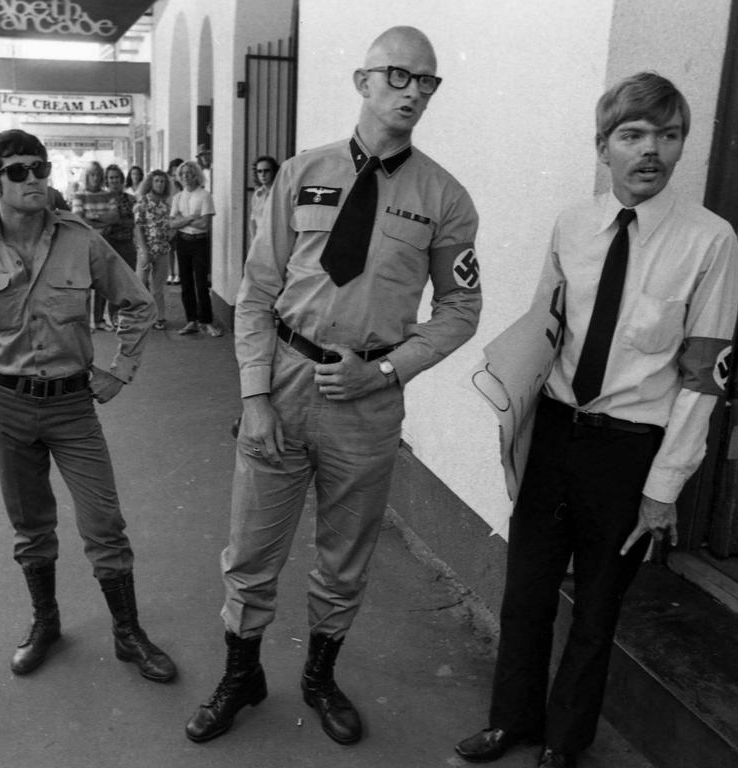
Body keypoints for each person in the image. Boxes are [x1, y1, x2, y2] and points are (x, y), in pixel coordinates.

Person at [184, 26, 481, 747]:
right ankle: (242, 673)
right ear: (362, 81)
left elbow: (461, 310)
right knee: (252, 552)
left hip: (369, 397)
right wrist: (254, 396)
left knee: (344, 555)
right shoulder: (299, 173)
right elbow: (257, 293)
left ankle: (320, 676)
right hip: (284, 384)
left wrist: (385, 370)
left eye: (427, 82)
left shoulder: (444, 197)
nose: (413, 92)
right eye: (399, 76)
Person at [454, 72, 738, 768]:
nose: (652, 151)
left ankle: (564, 740)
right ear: (603, 146)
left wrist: (663, 486)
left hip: (629, 450)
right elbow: (544, 332)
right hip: (554, 431)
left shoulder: (711, 242)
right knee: (525, 590)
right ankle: (510, 721)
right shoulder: (572, 226)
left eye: (668, 136)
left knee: (597, 609)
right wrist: (515, 429)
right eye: (633, 135)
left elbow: (704, 380)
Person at [0, 129, 177, 685]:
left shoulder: (82, 239)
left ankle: (128, 633)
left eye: (40, 168)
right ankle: (45, 623)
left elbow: (137, 304)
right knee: (30, 526)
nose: (34, 180)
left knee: (105, 524)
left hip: (74, 406)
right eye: (19, 171)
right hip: (9, 406)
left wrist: (119, 370)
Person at [169, 160, 222, 337]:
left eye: (189, 173)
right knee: (186, 283)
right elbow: (172, 224)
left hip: (199, 242)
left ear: (196, 175)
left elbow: (205, 224)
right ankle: (191, 320)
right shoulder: (177, 197)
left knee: (201, 283)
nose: (185, 176)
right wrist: (192, 218)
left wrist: (184, 219)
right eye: (182, 174)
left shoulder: (205, 195)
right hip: (182, 241)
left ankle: (206, 321)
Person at [71, 161, 118, 330]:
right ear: (86, 176)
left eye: (98, 174)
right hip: (86, 244)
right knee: (85, 284)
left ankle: (99, 320)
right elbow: (79, 219)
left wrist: (92, 217)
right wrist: (101, 219)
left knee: (102, 284)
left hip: (106, 244)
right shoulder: (79, 195)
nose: (95, 178)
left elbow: (114, 217)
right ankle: (85, 322)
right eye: (92, 174)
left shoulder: (109, 195)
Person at [133, 169, 174, 329]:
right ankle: (141, 317)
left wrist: (168, 236)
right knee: (141, 285)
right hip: (146, 250)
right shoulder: (143, 203)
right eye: (157, 181)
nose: (160, 184)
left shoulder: (167, 205)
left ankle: (159, 317)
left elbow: (172, 224)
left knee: (158, 287)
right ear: (151, 183)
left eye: (163, 181)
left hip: (162, 251)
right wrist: (144, 251)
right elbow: (138, 228)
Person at [103, 164, 138, 328]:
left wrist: (118, 221)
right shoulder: (101, 199)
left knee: (128, 281)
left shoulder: (130, 199)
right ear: (107, 180)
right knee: (112, 283)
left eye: (117, 177)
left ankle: (126, 314)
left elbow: (135, 222)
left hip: (127, 245)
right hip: (109, 245)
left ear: (122, 180)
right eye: (111, 177)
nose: (114, 180)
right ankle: (113, 315)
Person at [248, 155, 279, 243]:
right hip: (260, 240)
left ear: (274, 172)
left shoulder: (280, 193)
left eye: (266, 171)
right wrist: (253, 240)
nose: (263, 175)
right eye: (259, 171)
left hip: (276, 240)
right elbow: (253, 219)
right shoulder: (257, 194)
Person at [166, 157, 185, 285]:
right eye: (174, 169)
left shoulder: (184, 182)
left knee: (180, 248)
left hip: (182, 218)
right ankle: (170, 273)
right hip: (169, 217)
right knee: (169, 248)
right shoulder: (167, 182)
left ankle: (178, 274)